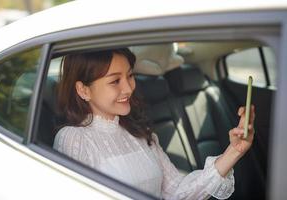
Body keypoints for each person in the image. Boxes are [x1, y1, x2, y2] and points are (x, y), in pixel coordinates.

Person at [53, 48, 255, 200]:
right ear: (83, 90)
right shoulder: (74, 139)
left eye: (130, 76)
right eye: (115, 81)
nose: (128, 89)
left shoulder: (139, 132)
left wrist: (234, 151)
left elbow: (177, 192)